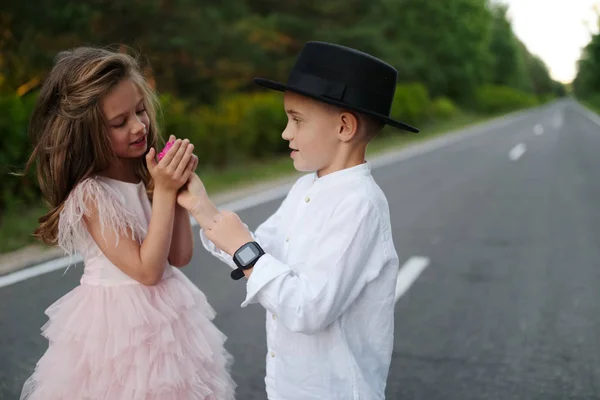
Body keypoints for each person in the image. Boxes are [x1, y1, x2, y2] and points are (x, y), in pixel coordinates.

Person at [176, 41, 420, 400]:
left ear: (344, 127)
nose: (285, 133)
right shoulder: (307, 187)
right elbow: (257, 251)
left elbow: (309, 309)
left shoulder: (360, 204)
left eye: (297, 120)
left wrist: (244, 249)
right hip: (290, 386)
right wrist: (202, 208)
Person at [20, 46, 235, 400]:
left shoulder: (145, 173)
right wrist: (164, 191)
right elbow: (146, 271)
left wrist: (176, 190)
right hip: (117, 328)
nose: (138, 126)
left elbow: (178, 257)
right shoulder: (92, 193)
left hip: (169, 316)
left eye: (139, 111)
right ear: (87, 132)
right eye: (120, 122)